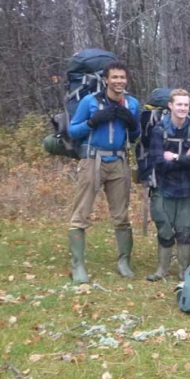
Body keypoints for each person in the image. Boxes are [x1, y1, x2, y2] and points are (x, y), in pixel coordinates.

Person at [67, 61, 140, 283]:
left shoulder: (132, 103)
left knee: (121, 215)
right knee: (80, 214)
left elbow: (136, 134)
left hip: (118, 159)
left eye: (122, 77)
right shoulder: (90, 101)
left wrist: (131, 121)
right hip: (92, 159)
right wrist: (92, 122)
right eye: (115, 77)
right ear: (106, 80)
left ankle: (123, 262)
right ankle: (78, 265)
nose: (119, 81)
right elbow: (72, 131)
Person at [146, 89, 190, 282]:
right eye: (179, 104)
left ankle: (184, 271)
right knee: (164, 230)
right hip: (163, 188)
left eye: (186, 105)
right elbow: (158, 163)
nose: (182, 108)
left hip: (186, 189)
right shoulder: (159, 130)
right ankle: (161, 270)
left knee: (185, 231)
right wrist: (187, 157)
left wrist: (176, 157)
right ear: (170, 106)